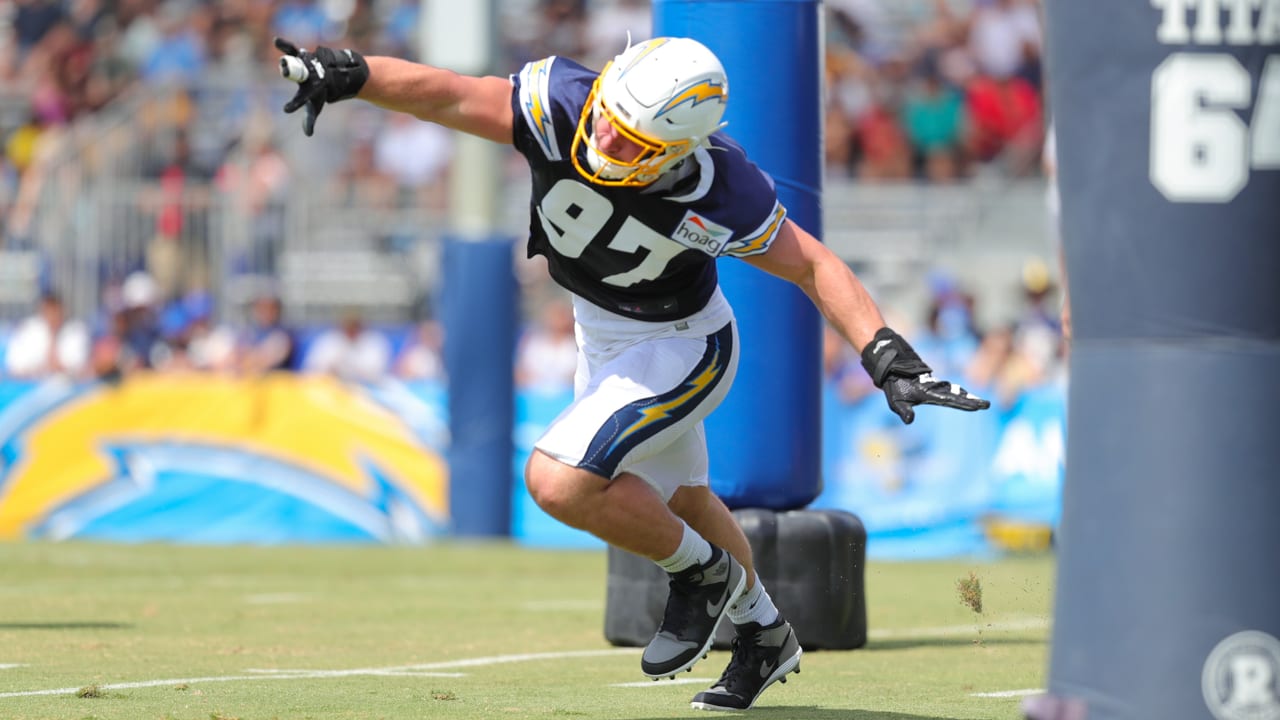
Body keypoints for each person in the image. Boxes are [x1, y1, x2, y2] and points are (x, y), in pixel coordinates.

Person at [274, 34, 990, 711]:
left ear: (681, 147)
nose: (608, 140)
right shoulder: (564, 103)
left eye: (635, 140)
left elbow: (810, 263)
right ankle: (764, 635)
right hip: (601, 332)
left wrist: (885, 352)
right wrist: (352, 74)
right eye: (612, 120)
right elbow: (453, 96)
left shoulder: (719, 189)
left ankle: (700, 574)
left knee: (558, 481)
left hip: (683, 343)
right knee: (686, 503)